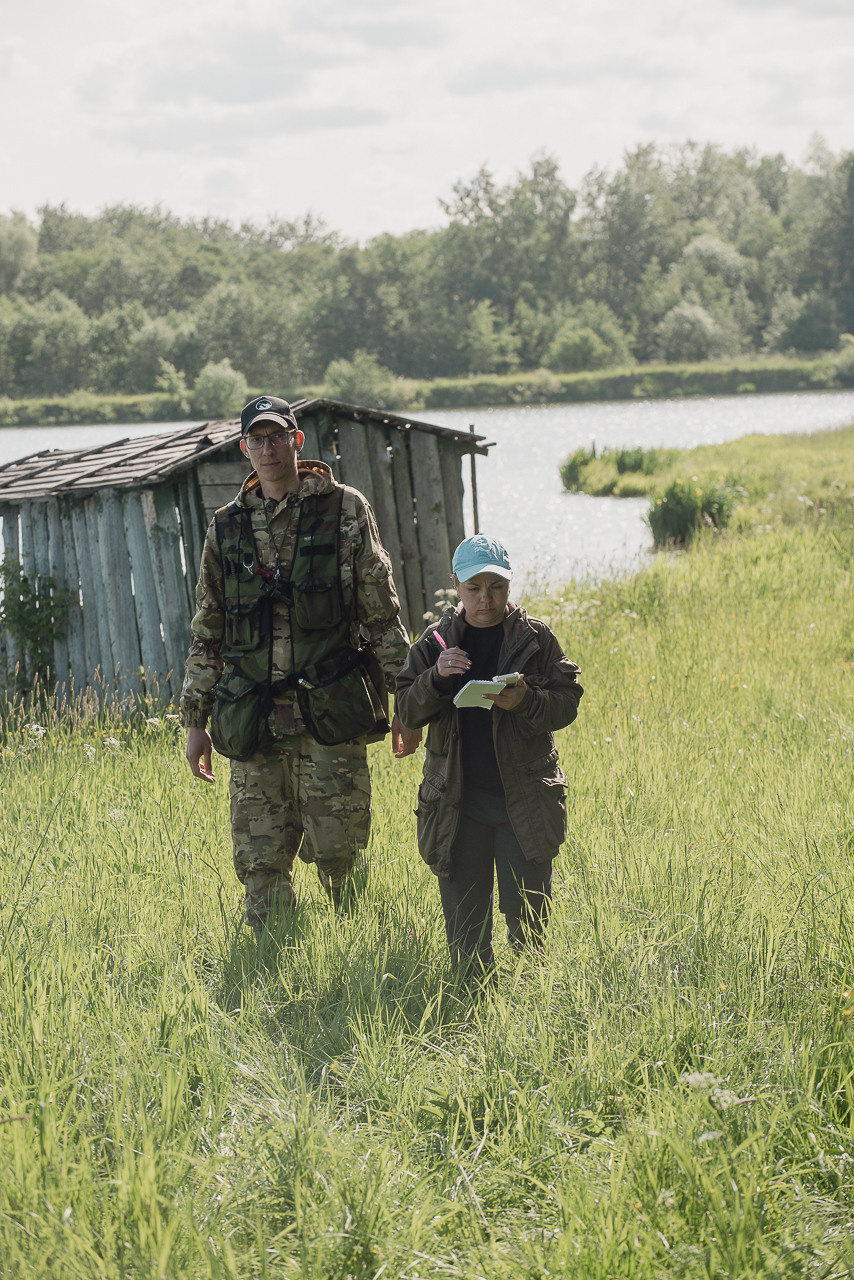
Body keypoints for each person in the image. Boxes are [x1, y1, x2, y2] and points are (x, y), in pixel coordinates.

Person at [181, 394, 420, 935]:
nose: (268, 449)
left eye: (277, 436)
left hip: (330, 710)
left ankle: (351, 953)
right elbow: (207, 628)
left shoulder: (345, 509)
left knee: (339, 852)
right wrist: (195, 721)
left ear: (298, 441)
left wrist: (404, 702)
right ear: (245, 449)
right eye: (256, 439)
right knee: (260, 859)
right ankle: (270, 958)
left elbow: (382, 616)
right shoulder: (226, 528)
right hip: (251, 715)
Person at [394, 534, 582, 982]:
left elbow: (568, 701)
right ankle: (472, 1018)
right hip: (457, 808)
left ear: (509, 586)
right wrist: (436, 679)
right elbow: (406, 709)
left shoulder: (534, 638)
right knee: (466, 938)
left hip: (525, 804)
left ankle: (534, 1014)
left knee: (530, 932)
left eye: (495, 587)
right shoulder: (434, 643)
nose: (485, 599)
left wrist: (525, 701)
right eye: (474, 587)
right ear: (456, 584)